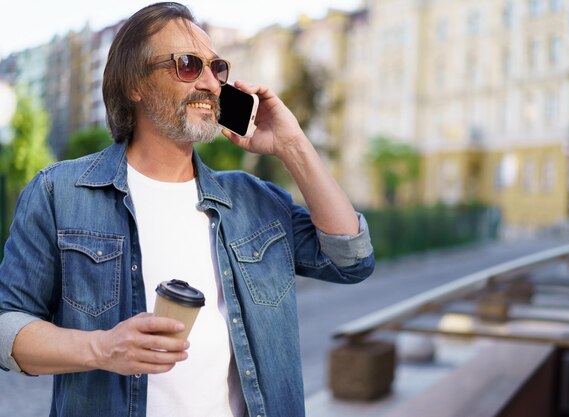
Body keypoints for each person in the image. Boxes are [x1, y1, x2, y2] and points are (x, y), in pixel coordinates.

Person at [0, 2, 374, 417]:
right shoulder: (60, 192)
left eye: (218, 69)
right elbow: (6, 327)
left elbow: (351, 260)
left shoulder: (252, 200)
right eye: (188, 65)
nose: (212, 84)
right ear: (135, 85)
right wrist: (102, 348)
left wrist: (292, 146)